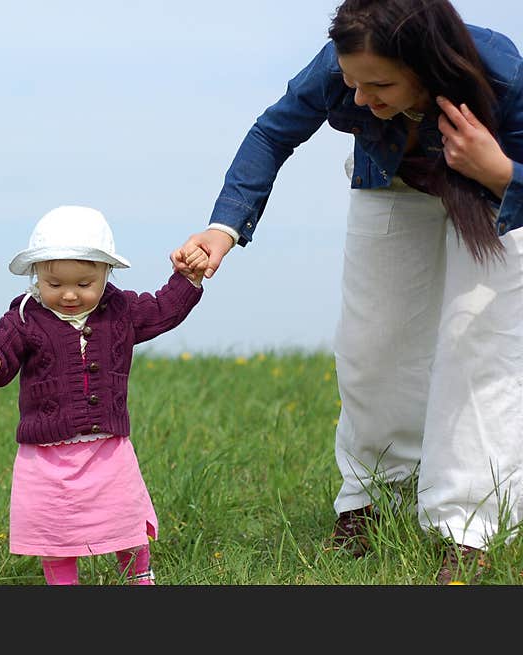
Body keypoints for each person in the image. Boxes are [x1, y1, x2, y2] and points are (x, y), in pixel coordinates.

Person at [172, 0, 523, 584]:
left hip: (499, 196)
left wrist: (500, 171)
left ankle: (470, 530)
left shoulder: (503, 73)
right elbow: (273, 130)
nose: (359, 98)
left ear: (427, 65)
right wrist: (223, 227)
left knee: (478, 347)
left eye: (379, 85)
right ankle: (373, 501)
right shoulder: (346, 66)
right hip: (391, 184)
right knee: (372, 345)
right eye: (352, 82)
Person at [0, 205, 206, 585]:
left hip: (107, 447)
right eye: (55, 284)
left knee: (125, 516)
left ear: (106, 275)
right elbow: (2, 346)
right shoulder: (26, 318)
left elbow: (163, 309)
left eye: (83, 284)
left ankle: (138, 577)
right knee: (53, 530)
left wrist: (187, 279)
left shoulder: (120, 311)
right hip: (47, 455)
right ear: (36, 277)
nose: (69, 295)